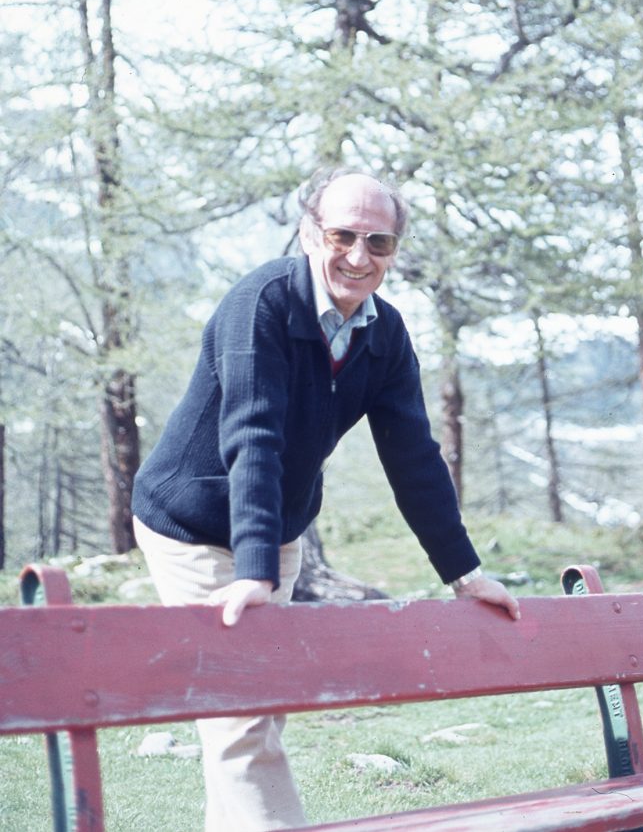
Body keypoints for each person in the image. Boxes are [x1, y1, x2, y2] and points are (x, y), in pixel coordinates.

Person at [132, 166, 520, 832]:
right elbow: (253, 435)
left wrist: (463, 571)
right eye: (342, 235)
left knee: (251, 706)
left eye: (379, 242)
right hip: (191, 524)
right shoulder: (261, 304)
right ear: (311, 231)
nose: (358, 256)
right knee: (242, 714)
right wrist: (254, 570)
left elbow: (413, 457)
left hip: (276, 529)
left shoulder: (385, 333)